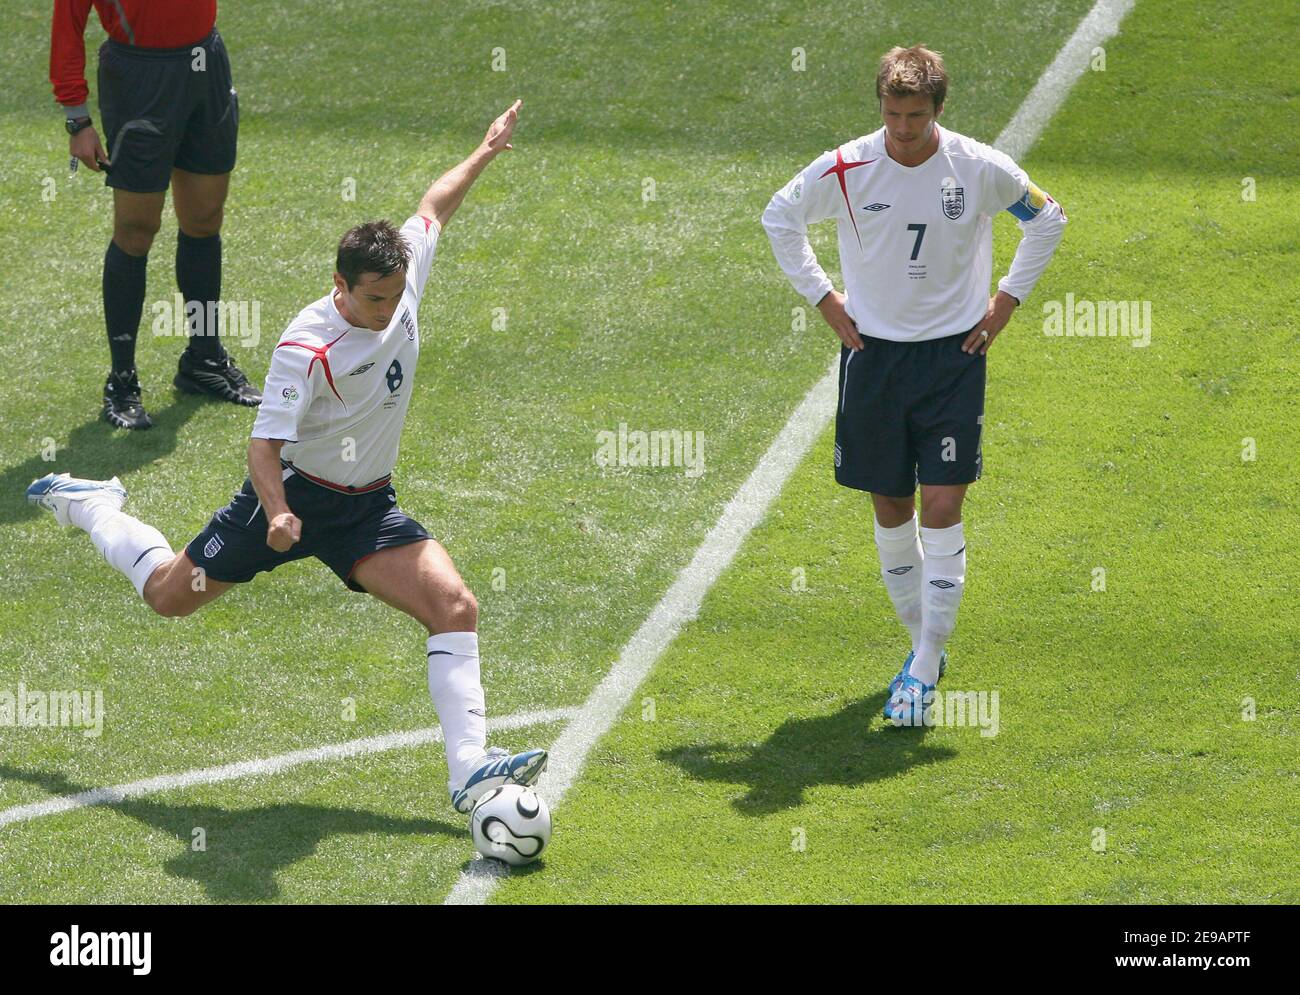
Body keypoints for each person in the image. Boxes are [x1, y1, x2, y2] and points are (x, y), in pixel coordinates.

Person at [28, 100, 544, 813]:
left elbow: (433, 205)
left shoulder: (400, 272)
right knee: (170, 597)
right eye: (375, 299)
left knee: (455, 604)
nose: (391, 309)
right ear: (340, 286)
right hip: (292, 500)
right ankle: (91, 505)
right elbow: (263, 444)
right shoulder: (308, 347)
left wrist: (486, 150)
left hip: (366, 508)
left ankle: (469, 771)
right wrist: (274, 514)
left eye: (397, 295)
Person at [762, 45, 1067, 724]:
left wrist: (1007, 301)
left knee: (941, 505)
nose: (903, 129)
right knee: (891, 506)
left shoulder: (979, 167)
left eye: (916, 116)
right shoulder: (845, 166)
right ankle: (918, 642)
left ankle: (926, 662)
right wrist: (823, 298)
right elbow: (779, 217)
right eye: (894, 114)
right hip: (873, 358)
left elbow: (1048, 217)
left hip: (953, 358)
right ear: (881, 106)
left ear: (938, 110)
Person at [51, 0, 260, 429]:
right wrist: (77, 118)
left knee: (204, 218)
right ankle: (122, 381)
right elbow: (67, 24)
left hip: (205, 63)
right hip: (138, 77)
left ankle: (203, 358)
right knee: (136, 228)